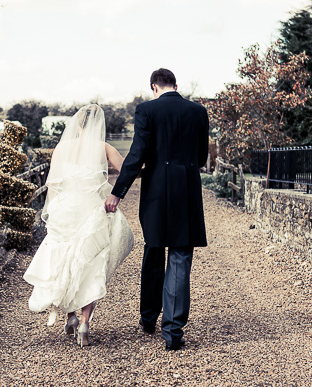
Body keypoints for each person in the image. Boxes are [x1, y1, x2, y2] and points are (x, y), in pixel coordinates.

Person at [105, 68, 209, 351]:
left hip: (156, 192)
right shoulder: (198, 112)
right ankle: (173, 331)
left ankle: (148, 318)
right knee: (180, 254)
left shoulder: (146, 110)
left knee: (154, 249)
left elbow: (137, 155)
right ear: (176, 85)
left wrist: (118, 193)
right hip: (187, 189)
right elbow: (201, 157)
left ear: (154, 87)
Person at [24, 104, 134, 348]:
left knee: (65, 259)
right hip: (91, 210)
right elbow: (130, 170)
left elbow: (53, 184)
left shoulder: (62, 148)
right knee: (90, 262)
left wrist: (51, 212)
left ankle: (70, 317)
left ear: (78, 124)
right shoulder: (104, 148)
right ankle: (84, 322)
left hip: (65, 208)